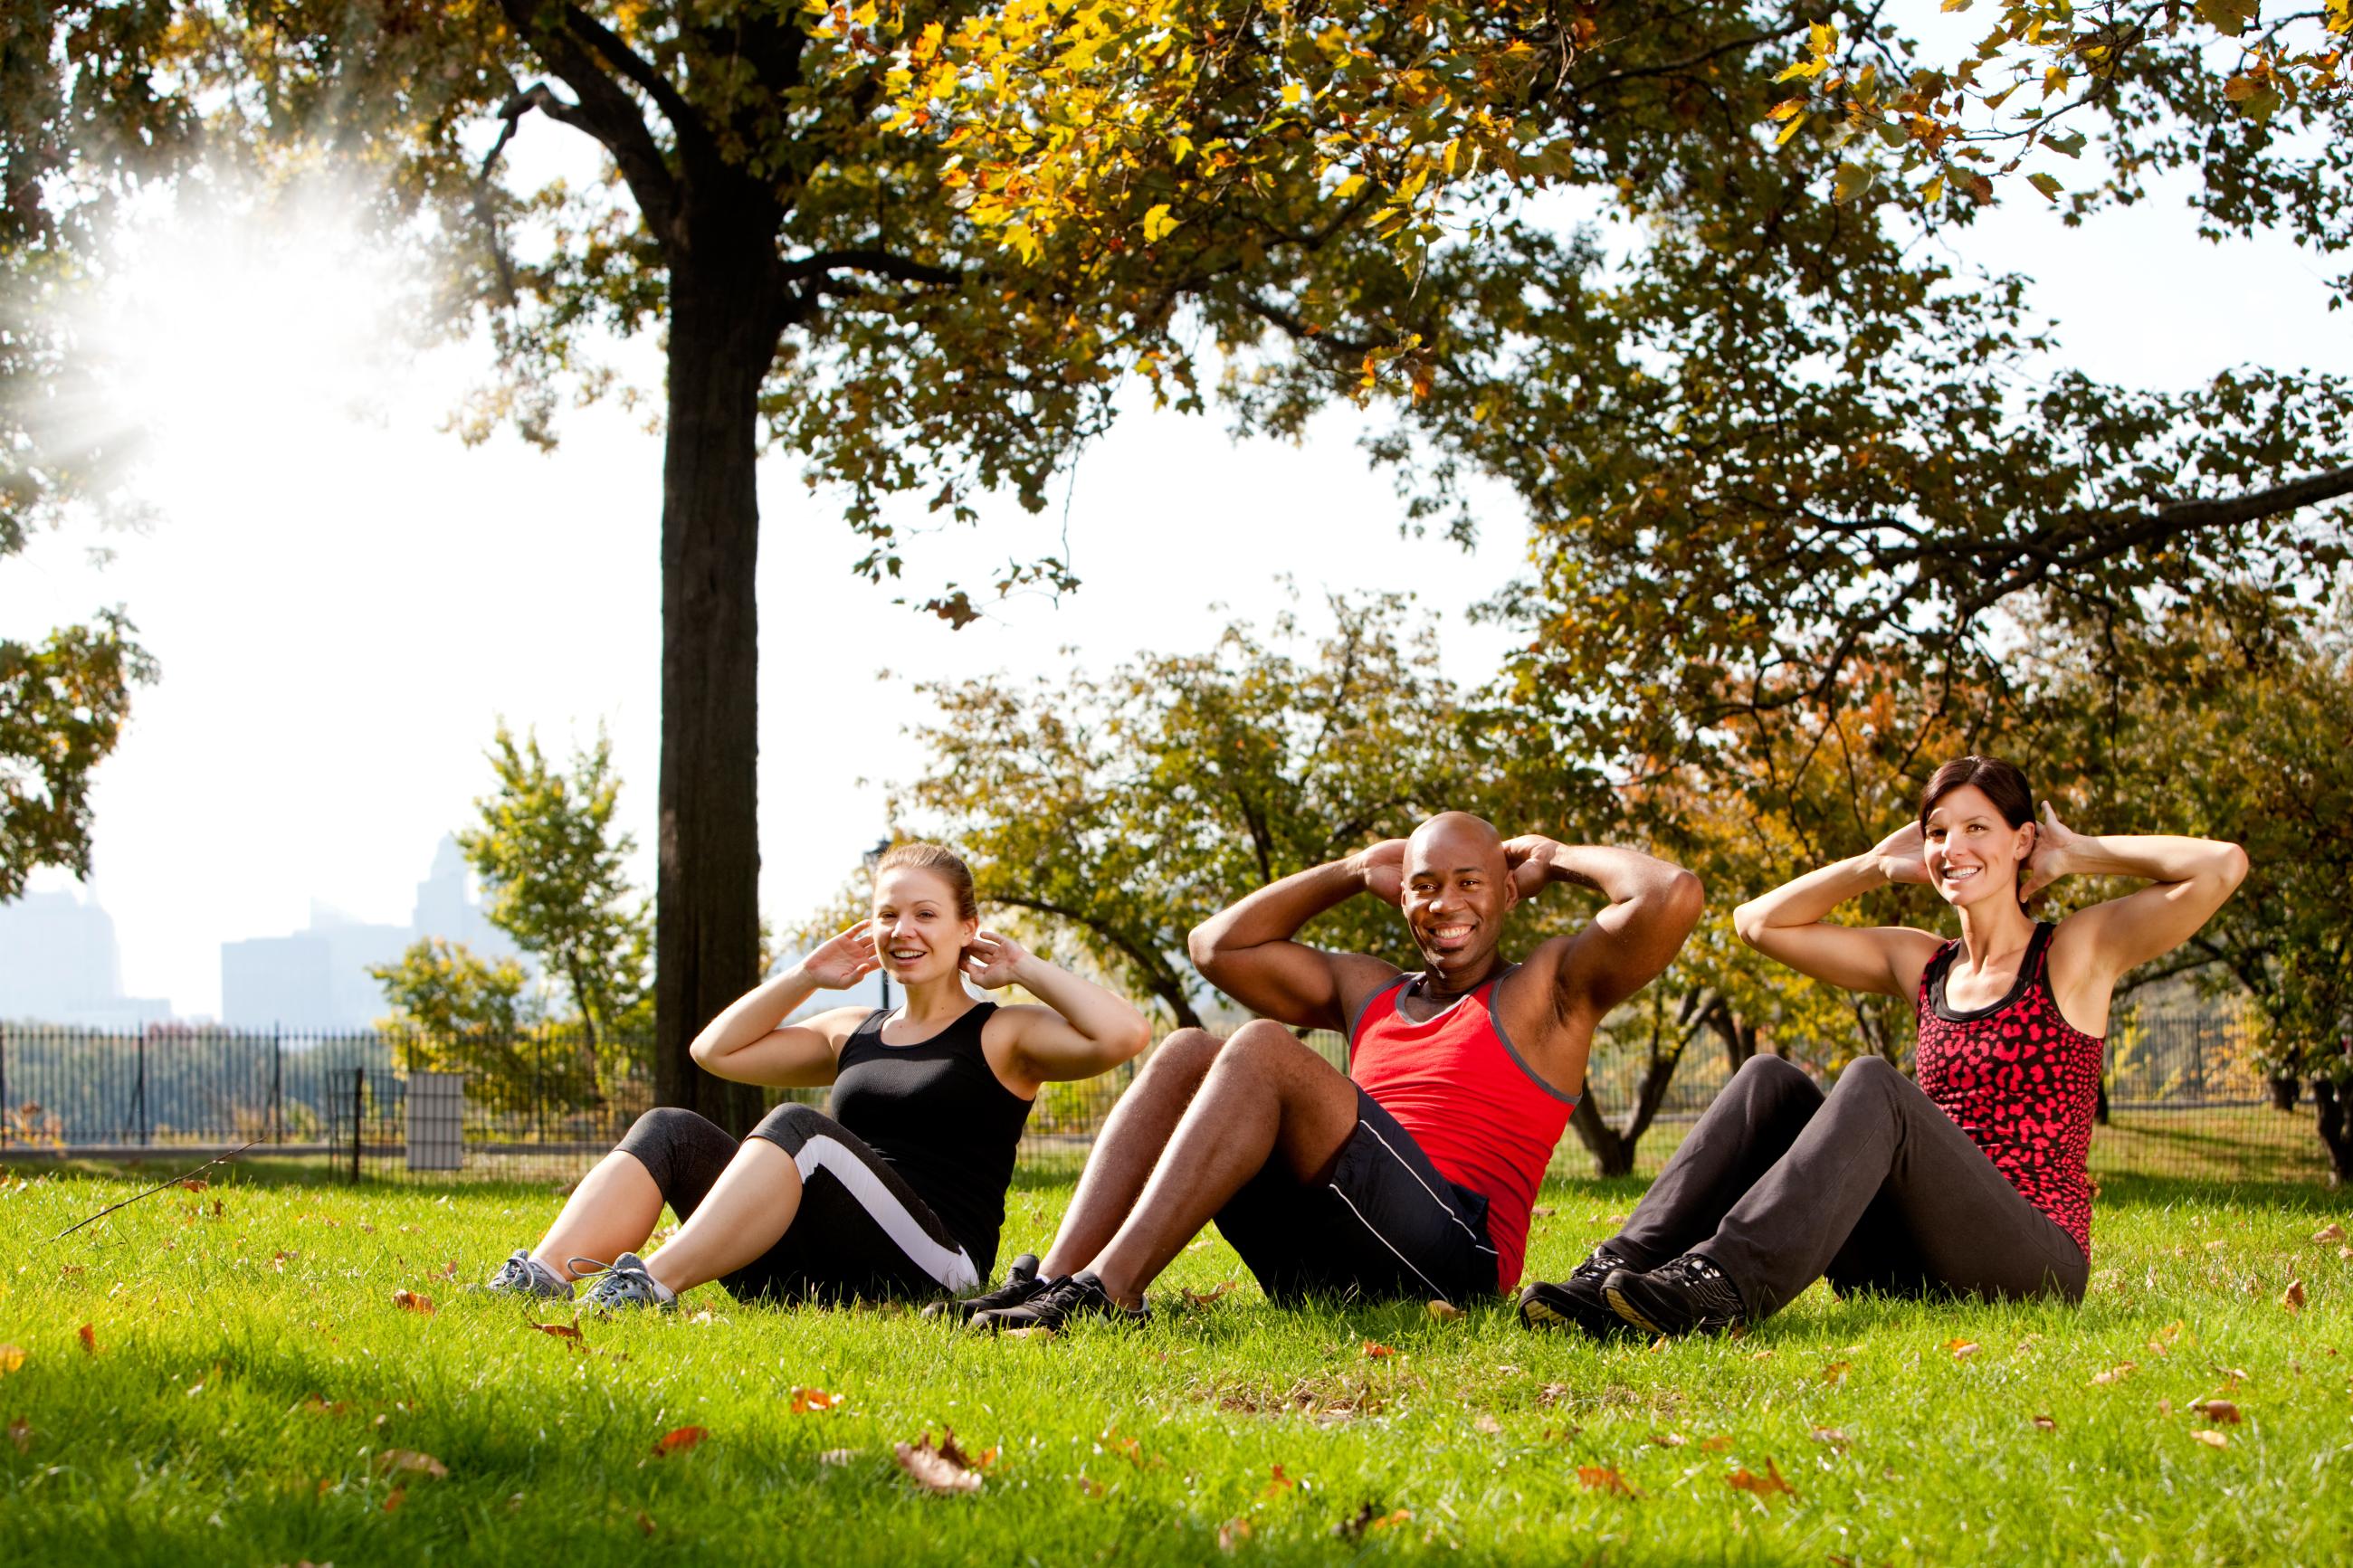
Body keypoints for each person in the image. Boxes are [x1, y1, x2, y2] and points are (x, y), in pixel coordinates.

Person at [1521, 755, 2246, 1341]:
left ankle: (1720, 1282)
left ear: (2022, 840)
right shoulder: (1923, 962)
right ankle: (1612, 1272)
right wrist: (1872, 864)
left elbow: (2221, 865)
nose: (1951, 848)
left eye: (1977, 828)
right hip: (1913, 1258)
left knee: (1873, 1081)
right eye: (1937, 831)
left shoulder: (2073, 952)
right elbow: (1757, 922)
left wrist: (2080, 853)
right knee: (1768, 1079)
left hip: (2032, 1260)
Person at [951, 812, 1703, 1331]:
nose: (1446, 903)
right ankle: (1051, 1280)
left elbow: (1671, 892)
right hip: (1337, 1249)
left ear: (1507, 892)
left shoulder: (1548, 988)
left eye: (1471, 882)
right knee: (1188, 1049)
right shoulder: (1368, 986)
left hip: (1456, 1262)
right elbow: (1216, 946)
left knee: (1263, 1046)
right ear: (1399, 894)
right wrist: (1349, 869)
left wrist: (1553, 854)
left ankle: (1109, 1293)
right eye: (1425, 884)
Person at [483, 842, 1149, 1310]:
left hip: (936, 1262)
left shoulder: (1002, 1032)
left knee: (802, 1129)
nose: (902, 929)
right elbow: (714, 1049)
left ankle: (649, 1284)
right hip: (815, 1264)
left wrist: (1024, 966)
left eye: (925, 913)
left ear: (966, 929)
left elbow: (1126, 1034)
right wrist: (807, 975)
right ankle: (542, 1272)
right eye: (888, 913)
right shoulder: (852, 1027)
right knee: (671, 1129)